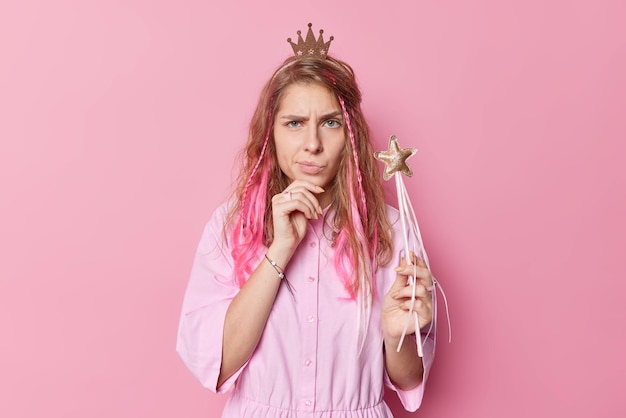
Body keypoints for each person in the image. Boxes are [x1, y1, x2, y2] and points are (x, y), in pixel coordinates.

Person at [176, 23, 437, 418]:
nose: (312, 143)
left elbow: (407, 379)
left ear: (349, 134)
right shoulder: (232, 226)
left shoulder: (392, 231)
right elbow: (219, 363)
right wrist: (280, 250)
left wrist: (397, 332)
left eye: (330, 122)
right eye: (294, 123)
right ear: (271, 134)